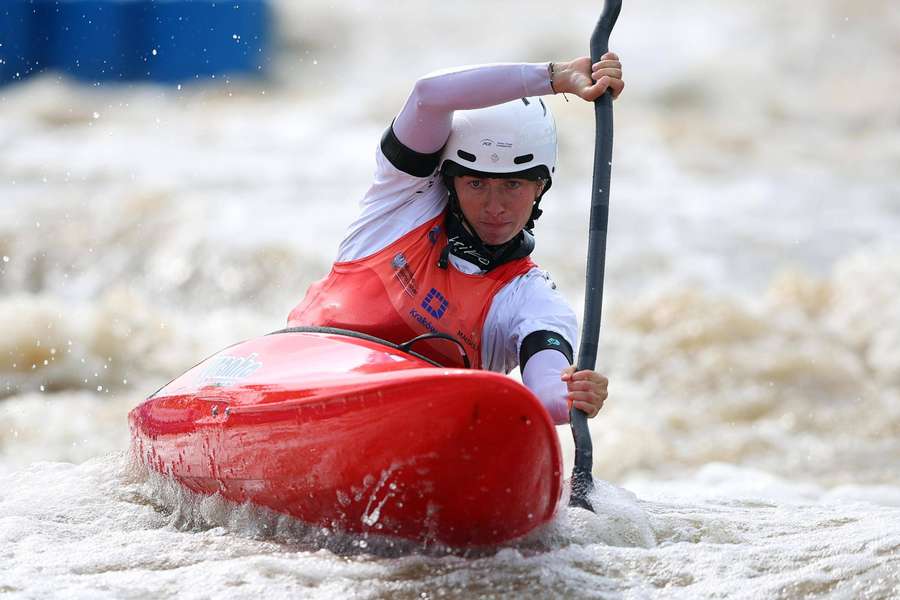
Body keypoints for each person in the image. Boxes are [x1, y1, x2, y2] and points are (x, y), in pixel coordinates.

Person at [288, 53, 625, 424]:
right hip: (306, 369)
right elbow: (429, 94)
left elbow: (545, 395)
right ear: (450, 181)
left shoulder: (532, 298)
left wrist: (572, 397)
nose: (494, 206)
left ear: (539, 187)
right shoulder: (402, 197)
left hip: (415, 426)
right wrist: (555, 77)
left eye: (513, 184)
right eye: (476, 183)